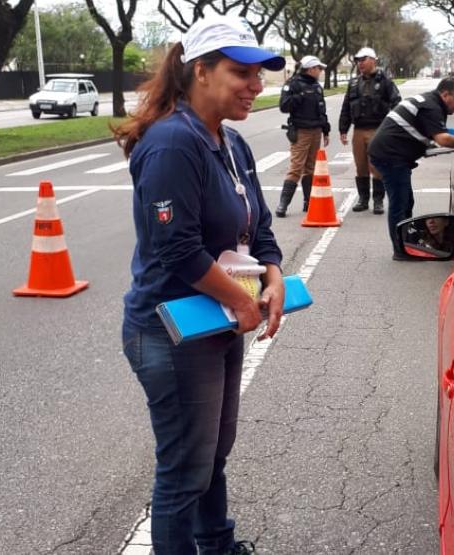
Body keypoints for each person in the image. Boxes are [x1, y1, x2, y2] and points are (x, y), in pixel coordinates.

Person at [113, 15, 286, 555]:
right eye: (242, 72)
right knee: (184, 469)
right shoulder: (171, 144)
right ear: (200, 71)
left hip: (218, 319)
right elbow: (177, 249)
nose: (256, 86)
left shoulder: (231, 142)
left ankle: (218, 544)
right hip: (172, 330)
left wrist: (274, 274)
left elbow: (258, 225)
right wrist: (242, 300)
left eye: (260, 74)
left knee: (211, 456)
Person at [368, 77, 454, 260]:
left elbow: (427, 132)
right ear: (445, 94)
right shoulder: (432, 107)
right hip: (390, 156)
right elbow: (444, 139)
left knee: (407, 202)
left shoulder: (431, 102)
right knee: (399, 205)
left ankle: (407, 242)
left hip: (392, 154)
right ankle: (400, 250)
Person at [338, 47, 401, 215]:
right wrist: (343, 129)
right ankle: (363, 199)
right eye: (358, 60)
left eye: (363, 59)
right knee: (360, 166)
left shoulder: (385, 81)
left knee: (377, 166)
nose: (360, 63)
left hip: (377, 129)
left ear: (373, 60)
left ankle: (378, 200)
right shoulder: (353, 83)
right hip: (358, 130)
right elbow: (346, 107)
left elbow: (396, 102)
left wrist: (391, 127)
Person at [275, 54, 330, 217]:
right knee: (296, 167)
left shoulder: (317, 86)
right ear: (311, 68)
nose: (320, 71)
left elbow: (322, 110)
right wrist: (301, 96)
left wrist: (325, 130)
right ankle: (283, 204)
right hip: (301, 131)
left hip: (316, 131)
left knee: (311, 168)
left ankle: (308, 202)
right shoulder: (293, 84)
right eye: (318, 68)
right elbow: (284, 106)